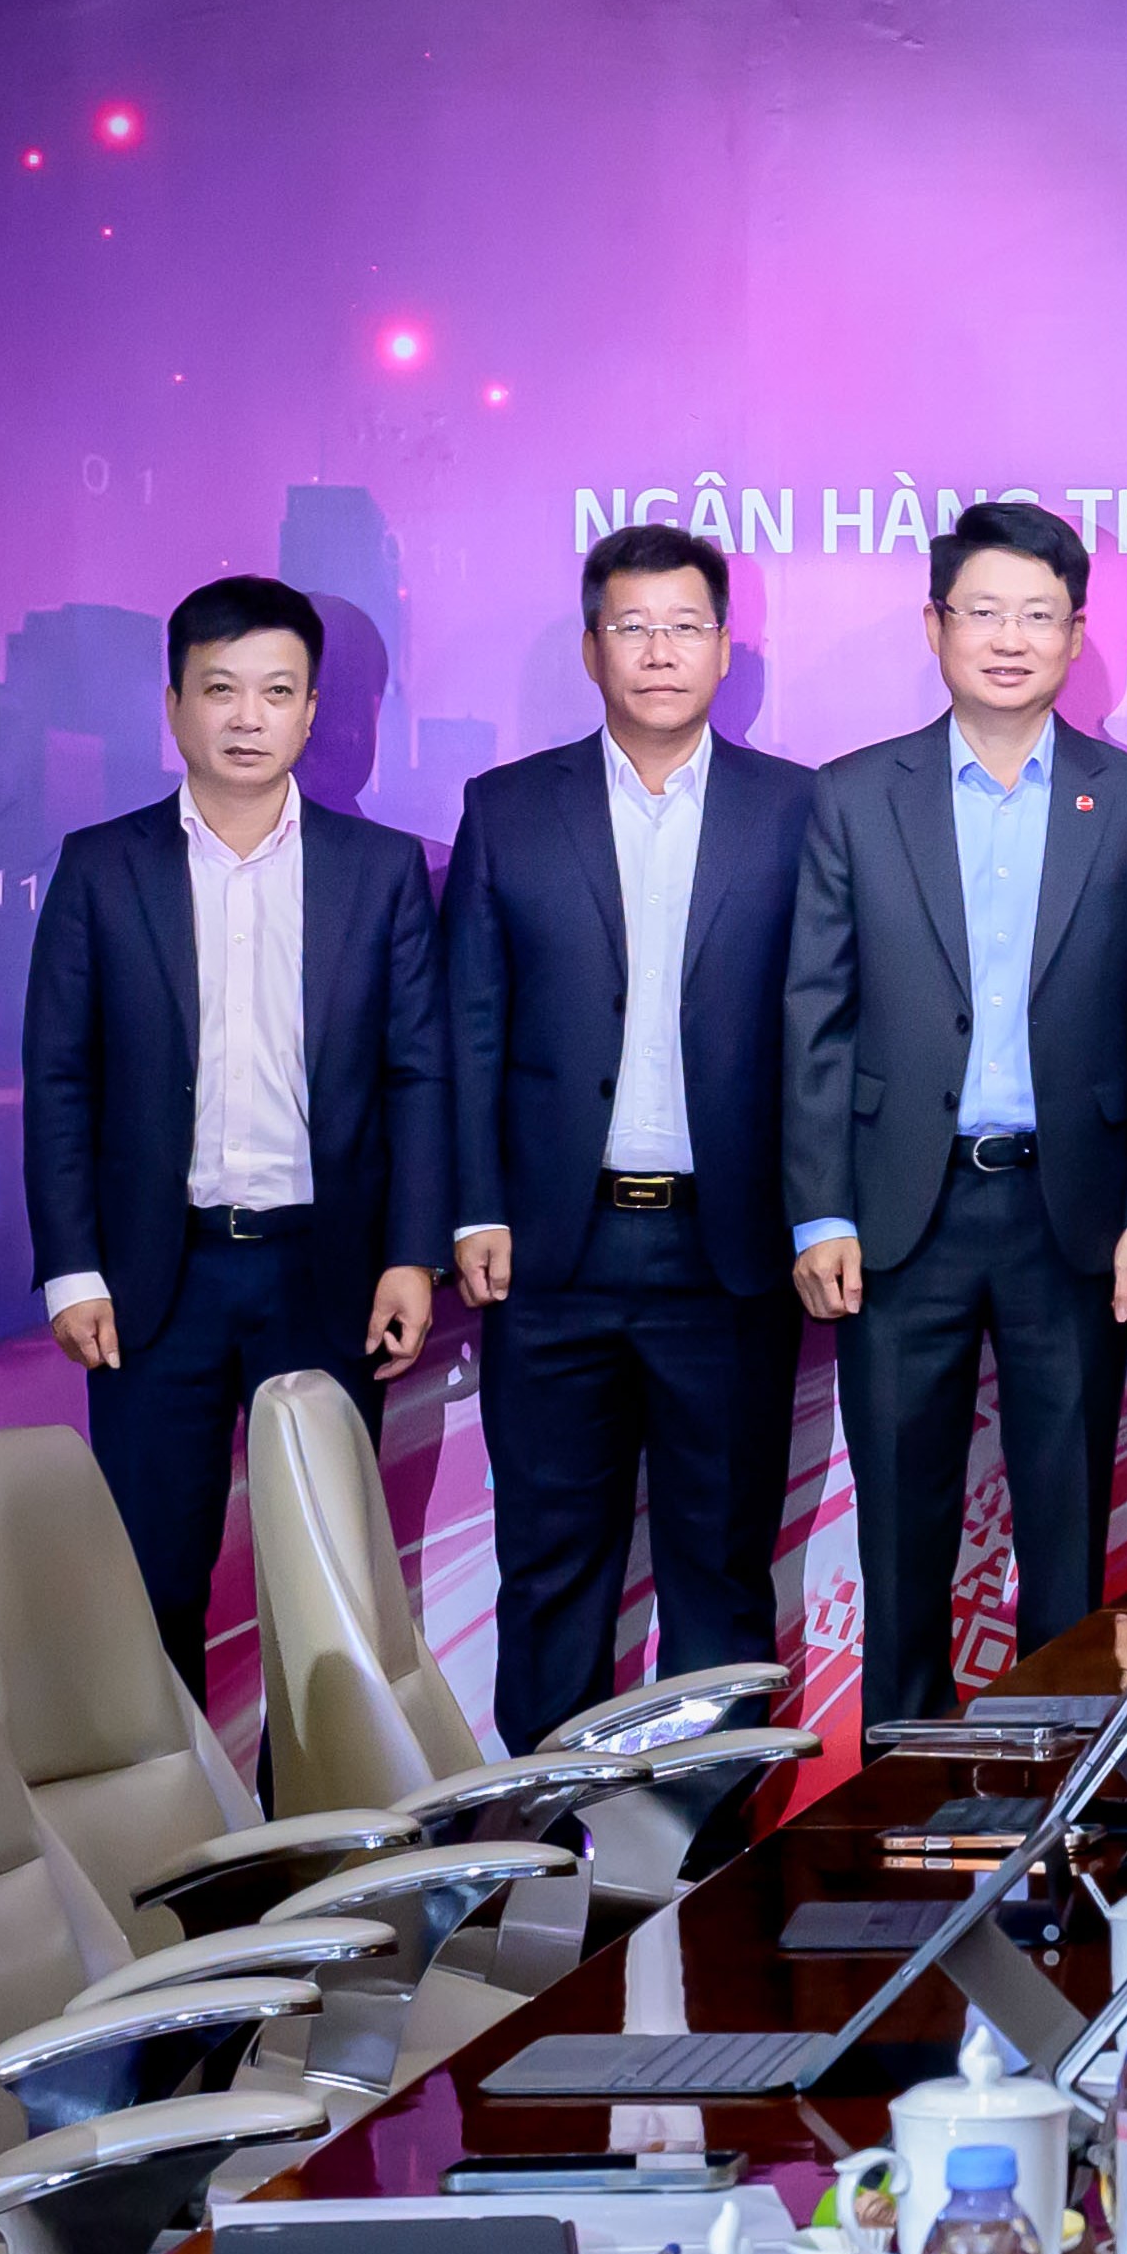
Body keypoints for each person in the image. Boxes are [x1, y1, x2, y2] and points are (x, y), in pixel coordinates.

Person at [783, 501, 1127, 1724]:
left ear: (1076, 633)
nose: (1010, 639)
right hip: (900, 1212)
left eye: (1038, 615)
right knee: (901, 1537)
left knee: (1066, 1536)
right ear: (935, 625)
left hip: (1072, 1215)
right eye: (984, 612)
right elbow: (815, 1018)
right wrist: (820, 1212)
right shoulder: (856, 794)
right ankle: (899, 1793)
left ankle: (1061, 1785)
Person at [17, 572, 448, 1685]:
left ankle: (308, 1798)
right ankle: (170, 1797)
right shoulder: (102, 867)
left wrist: (411, 1256)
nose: (248, 717)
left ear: (312, 712)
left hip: (326, 1270)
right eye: (220, 689)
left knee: (322, 1584)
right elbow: (59, 1079)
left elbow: (418, 1076)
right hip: (156, 1280)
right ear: (173, 706)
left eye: (277, 691)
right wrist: (73, 1270)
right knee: (151, 1579)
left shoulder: (380, 871)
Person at [439, 527, 817, 1749]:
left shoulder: (797, 808)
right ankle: (544, 1859)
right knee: (552, 1574)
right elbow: (469, 1025)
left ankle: (710, 1847)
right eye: (633, 627)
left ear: (726, 648)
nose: (660, 651)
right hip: (554, 1256)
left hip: (729, 1256)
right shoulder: (507, 808)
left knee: (721, 1575)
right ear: (593, 647)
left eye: (685, 627)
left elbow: (829, 1030)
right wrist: (476, 1205)